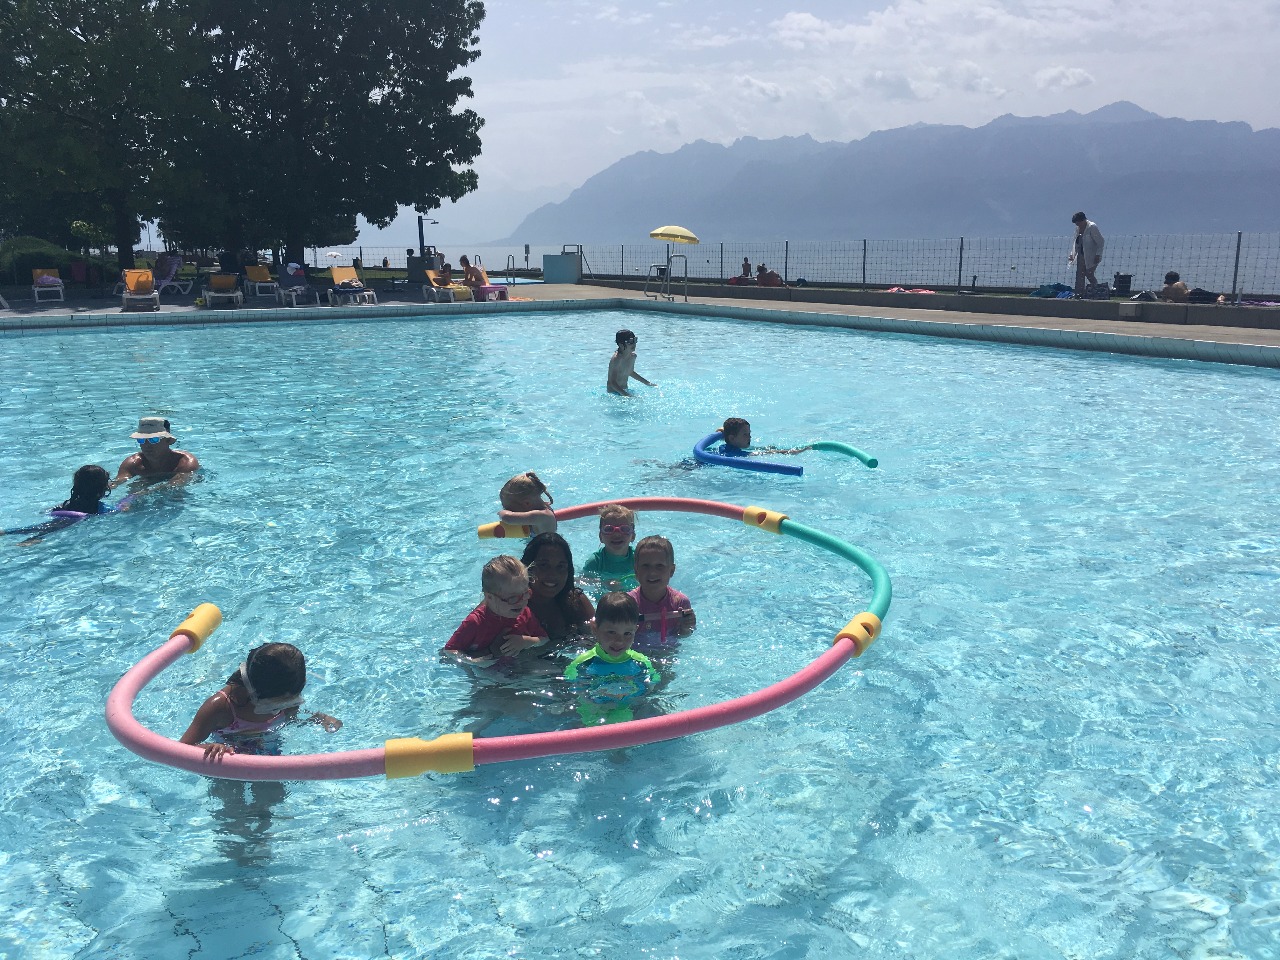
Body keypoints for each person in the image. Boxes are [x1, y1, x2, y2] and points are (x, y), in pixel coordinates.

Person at [179, 642, 342, 760]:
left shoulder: (289, 694)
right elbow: (182, 749)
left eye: (290, 702)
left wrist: (318, 718)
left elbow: (292, 720)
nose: (282, 708)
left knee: (273, 794)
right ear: (253, 690)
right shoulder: (221, 707)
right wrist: (209, 748)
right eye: (275, 704)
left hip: (270, 757)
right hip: (228, 763)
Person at [564, 592, 659, 725]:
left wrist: (634, 699)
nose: (619, 641)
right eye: (611, 632)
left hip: (626, 708)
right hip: (593, 710)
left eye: (627, 633)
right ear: (595, 628)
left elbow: (652, 684)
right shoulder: (583, 663)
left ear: (635, 631)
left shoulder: (641, 662)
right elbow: (572, 685)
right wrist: (592, 702)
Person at [442, 555, 548, 666]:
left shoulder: (525, 613)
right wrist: (473, 662)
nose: (521, 602)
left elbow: (544, 639)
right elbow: (449, 651)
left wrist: (527, 641)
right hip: (485, 670)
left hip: (516, 666)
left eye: (526, 593)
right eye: (513, 598)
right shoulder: (475, 622)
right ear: (489, 597)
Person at [1, 464, 116, 542]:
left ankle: (7, 532)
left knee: (41, 527)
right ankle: (31, 540)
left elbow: (50, 511)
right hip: (78, 519)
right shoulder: (102, 508)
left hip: (64, 515)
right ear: (102, 488)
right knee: (51, 530)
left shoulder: (68, 504)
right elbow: (114, 511)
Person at [521, 532, 594, 643]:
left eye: (560, 566)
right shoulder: (508, 604)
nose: (553, 575)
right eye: (544, 565)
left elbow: (602, 639)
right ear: (527, 567)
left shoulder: (576, 602)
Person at [627, 536, 695, 655]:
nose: (652, 572)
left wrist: (686, 627)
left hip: (667, 654)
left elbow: (682, 636)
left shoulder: (680, 602)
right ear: (636, 571)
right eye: (645, 566)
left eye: (659, 566)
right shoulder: (628, 604)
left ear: (671, 571)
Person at [111, 416, 200, 489]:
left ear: (168, 440)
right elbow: (117, 481)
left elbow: (175, 484)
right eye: (141, 440)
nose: (146, 445)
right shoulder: (133, 463)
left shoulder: (185, 462)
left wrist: (144, 493)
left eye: (153, 440)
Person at [581, 503, 639, 592]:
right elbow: (581, 581)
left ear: (633, 536)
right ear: (600, 536)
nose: (617, 534)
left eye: (624, 529)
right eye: (609, 529)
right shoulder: (596, 562)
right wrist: (603, 583)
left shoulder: (638, 558)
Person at [719, 417, 810, 457]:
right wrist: (789, 452)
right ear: (732, 438)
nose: (749, 437)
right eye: (745, 435)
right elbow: (765, 453)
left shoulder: (725, 446)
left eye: (749, 434)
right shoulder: (735, 454)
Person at [607, 329, 656, 396]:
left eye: (635, 340)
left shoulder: (633, 357)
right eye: (630, 341)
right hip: (613, 393)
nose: (634, 344)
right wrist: (626, 395)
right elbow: (612, 382)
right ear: (621, 345)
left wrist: (647, 383)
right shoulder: (616, 359)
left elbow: (630, 372)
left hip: (625, 390)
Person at [1068, 212, 1105, 294]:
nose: (1077, 224)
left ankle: (1096, 290)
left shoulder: (1092, 227)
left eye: (1078, 222)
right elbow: (1076, 242)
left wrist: (1098, 254)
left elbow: (1101, 242)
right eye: (1076, 223)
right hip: (1081, 255)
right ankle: (1080, 293)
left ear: (1083, 220)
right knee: (1080, 275)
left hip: (1093, 256)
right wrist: (1072, 254)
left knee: (1089, 274)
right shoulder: (1077, 229)